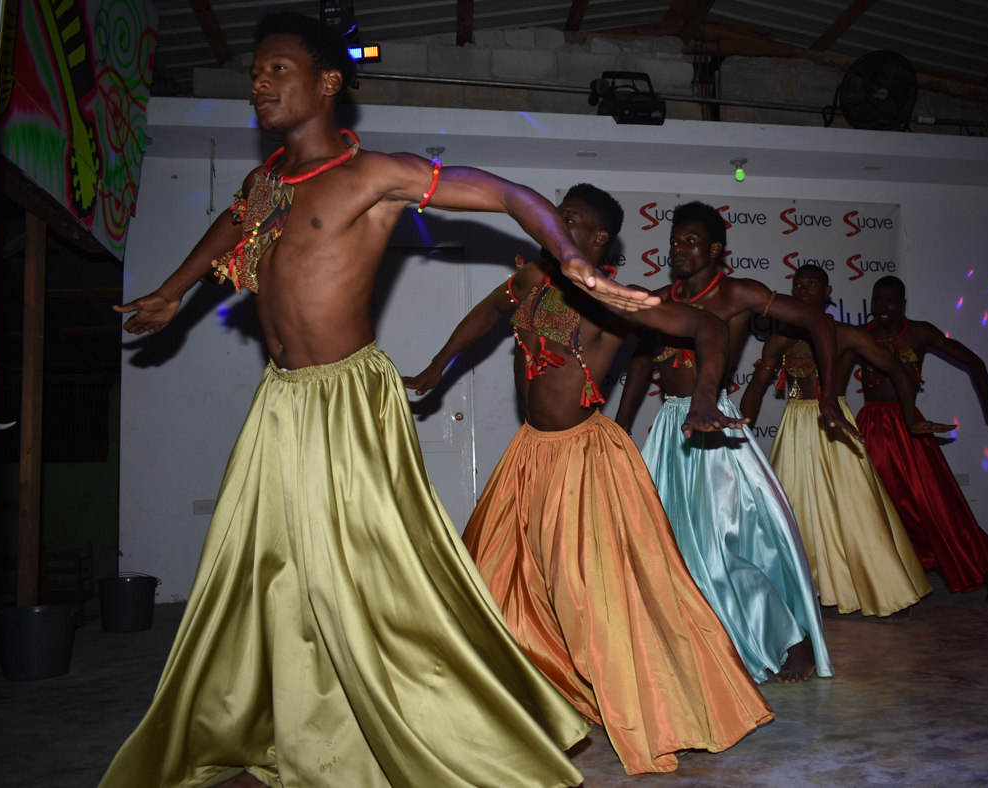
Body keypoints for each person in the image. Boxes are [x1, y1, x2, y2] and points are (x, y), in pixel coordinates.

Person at [98, 15, 660, 788]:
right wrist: (172, 288)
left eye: (278, 69)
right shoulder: (265, 185)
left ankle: (484, 717)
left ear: (328, 83)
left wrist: (569, 257)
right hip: (282, 401)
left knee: (375, 578)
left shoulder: (373, 177)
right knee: (265, 569)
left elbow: (504, 192)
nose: (259, 83)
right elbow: (232, 223)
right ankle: (290, 716)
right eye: (255, 72)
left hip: (348, 402)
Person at [403, 185, 772, 776]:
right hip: (529, 456)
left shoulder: (615, 298)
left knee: (591, 596)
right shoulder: (529, 280)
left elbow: (707, 328)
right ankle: (511, 705)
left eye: (567, 217)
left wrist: (704, 396)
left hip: (586, 461)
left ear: (597, 239)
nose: (552, 219)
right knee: (496, 581)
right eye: (554, 210)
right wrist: (437, 365)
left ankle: (653, 704)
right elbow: (489, 312)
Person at [615, 202, 853, 684]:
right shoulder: (659, 300)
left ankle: (793, 641)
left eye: (691, 241)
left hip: (718, 428)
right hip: (671, 432)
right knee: (673, 547)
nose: (679, 249)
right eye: (675, 241)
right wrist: (617, 430)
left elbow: (819, 323)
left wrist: (830, 395)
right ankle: (704, 641)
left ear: (716, 249)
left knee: (729, 544)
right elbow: (640, 367)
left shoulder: (737, 294)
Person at [741, 265, 951, 619]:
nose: (803, 288)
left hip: (835, 424)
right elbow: (756, 388)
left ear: (828, 292)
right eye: (797, 284)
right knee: (793, 509)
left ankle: (880, 588)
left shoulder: (847, 335)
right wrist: (741, 430)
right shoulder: (780, 339)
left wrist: (911, 417)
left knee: (856, 509)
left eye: (812, 284)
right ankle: (805, 591)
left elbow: (898, 370)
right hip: (796, 426)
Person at [858, 275, 988, 602]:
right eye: (877, 300)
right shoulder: (861, 335)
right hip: (870, 426)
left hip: (909, 427)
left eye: (889, 301)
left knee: (938, 504)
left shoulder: (919, 331)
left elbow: (972, 361)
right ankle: (892, 583)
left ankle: (987, 571)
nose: (882, 307)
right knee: (879, 507)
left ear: (902, 304)